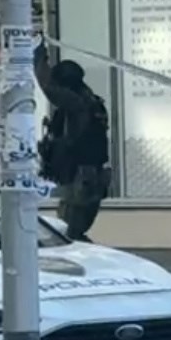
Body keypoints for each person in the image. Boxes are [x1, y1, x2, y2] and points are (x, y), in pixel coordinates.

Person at [34, 40, 111, 241]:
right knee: (73, 232)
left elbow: (48, 87)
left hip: (81, 178)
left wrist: (38, 54)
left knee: (69, 234)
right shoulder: (91, 102)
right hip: (89, 176)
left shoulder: (78, 103)